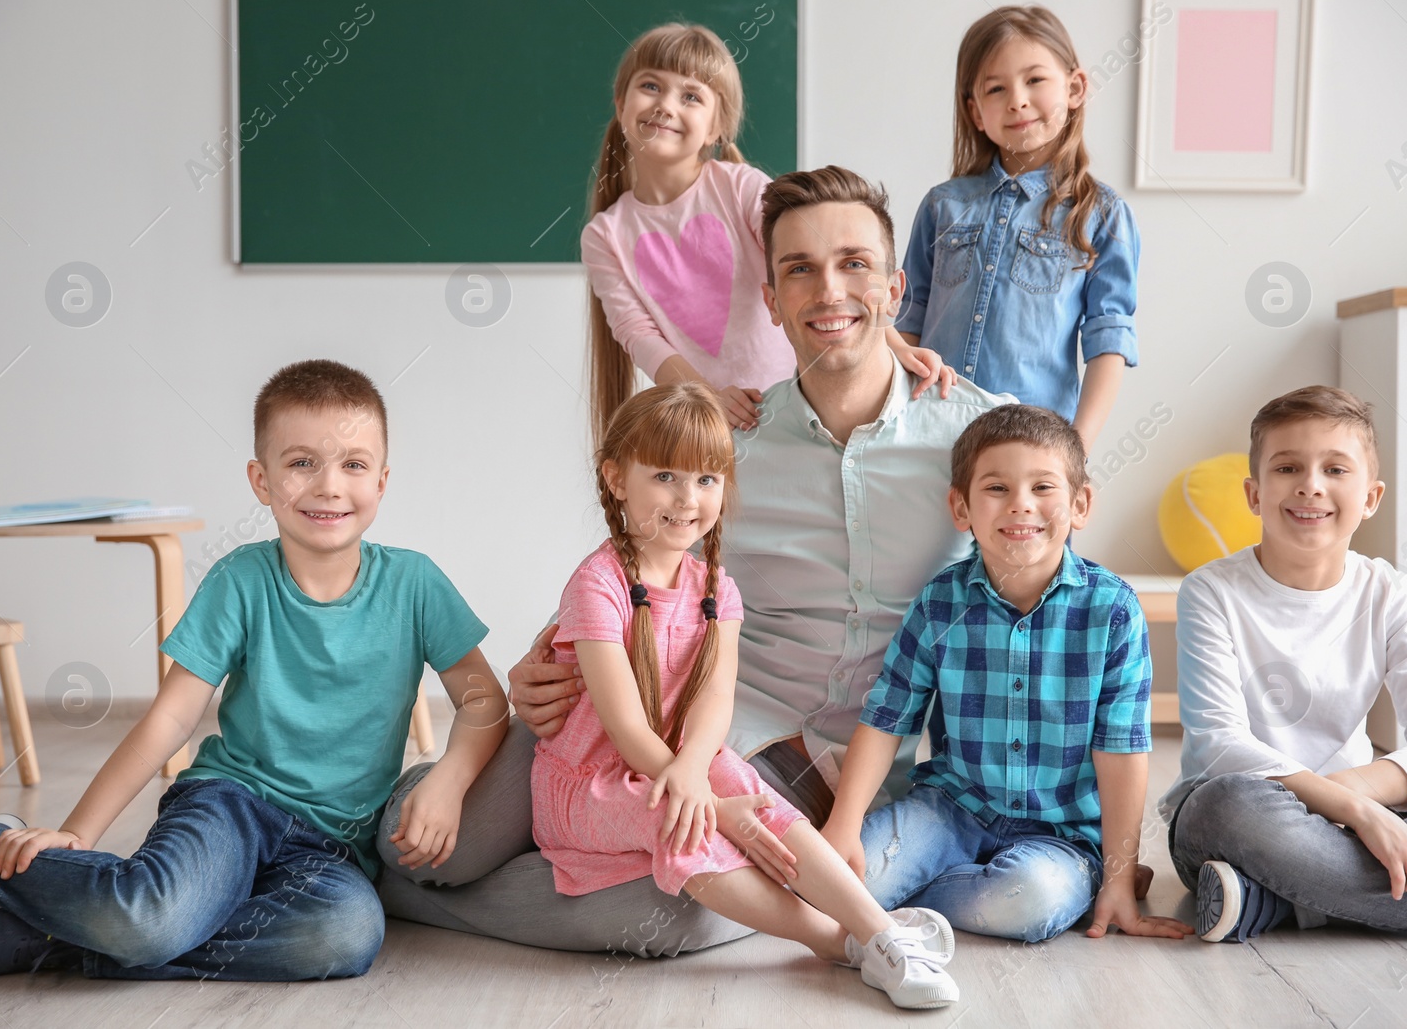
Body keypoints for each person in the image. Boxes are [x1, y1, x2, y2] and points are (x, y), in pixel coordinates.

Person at [379, 166, 1013, 959]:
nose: (829, 290)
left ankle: (395, 898)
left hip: (812, 766)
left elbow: (1047, 604)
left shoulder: (982, 440)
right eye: (799, 270)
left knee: (673, 913)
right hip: (633, 718)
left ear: (895, 286)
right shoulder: (728, 445)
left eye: (853, 264)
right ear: (772, 302)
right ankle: (381, 842)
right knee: (446, 842)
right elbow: (627, 574)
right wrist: (538, 662)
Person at [0, 360, 509, 980]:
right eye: (300, 463)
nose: (328, 486)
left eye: (353, 464)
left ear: (382, 481)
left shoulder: (416, 583)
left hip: (332, 846)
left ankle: (51, 942)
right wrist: (78, 831)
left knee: (342, 938)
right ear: (261, 481)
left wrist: (449, 780)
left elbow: (484, 697)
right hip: (230, 806)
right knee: (155, 915)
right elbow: (171, 716)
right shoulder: (241, 578)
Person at [534, 381, 957, 1009]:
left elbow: (713, 703)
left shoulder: (716, 587)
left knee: (754, 793)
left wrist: (701, 775)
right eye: (666, 476)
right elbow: (623, 726)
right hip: (593, 779)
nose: (688, 498)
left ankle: (882, 931)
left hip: (681, 762)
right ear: (617, 478)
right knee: (679, 819)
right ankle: (835, 942)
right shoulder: (598, 585)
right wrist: (696, 793)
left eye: (707, 479)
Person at [824, 404, 1191, 943]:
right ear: (961, 506)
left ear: (1080, 503)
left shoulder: (1111, 609)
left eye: (1043, 487)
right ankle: (900, 894)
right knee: (839, 879)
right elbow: (887, 719)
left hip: (1061, 834)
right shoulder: (939, 603)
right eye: (997, 488)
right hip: (952, 810)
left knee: (1029, 902)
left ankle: (1076, 882)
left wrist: (1116, 874)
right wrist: (842, 826)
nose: (1021, 505)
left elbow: (1123, 751)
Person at [1163, 386, 1407, 942]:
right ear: (1254, 494)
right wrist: (1359, 816)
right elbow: (1219, 746)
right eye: (1288, 467)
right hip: (1245, 819)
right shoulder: (1210, 592)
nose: (1311, 484)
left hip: (1360, 811)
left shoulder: (1389, 593)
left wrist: (1350, 801)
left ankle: (1279, 898)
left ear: (1371, 496)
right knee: (1229, 801)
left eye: (1335, 469)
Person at [584, 23, 949, 439]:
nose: (666, 105)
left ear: (717, 126)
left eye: (690, 95)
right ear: (620, 101)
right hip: (719, 423)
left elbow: (816, 260)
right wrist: (708, 396)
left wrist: (896, 347)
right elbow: (640, 335)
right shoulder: (604, 236)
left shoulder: (738, 187)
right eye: (651, 85)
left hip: (802, 403)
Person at [897, 5, 1139, 452]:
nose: (1017, 100)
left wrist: (1076, 450)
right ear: (975, 112)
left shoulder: (1101, 214)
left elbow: (1109, 339)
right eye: (996, 88)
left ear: (1075, 88)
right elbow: (908, 320)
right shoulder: (942, 206)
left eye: (1034, 80)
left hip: (1035, 447)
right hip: (930, 435)